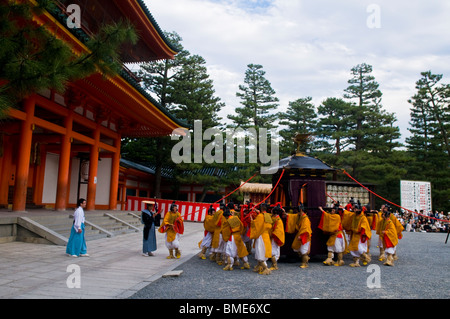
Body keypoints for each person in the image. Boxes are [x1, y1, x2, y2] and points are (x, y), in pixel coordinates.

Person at [343, 202, 372, 267]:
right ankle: (356, 262)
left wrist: (363, 233)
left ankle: (365, 258)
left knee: (359, 248)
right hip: (354, 234)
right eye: (354, 209)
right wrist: (343, 210)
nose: (354, 210)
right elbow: (348, 214)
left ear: (359, 209)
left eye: (356, 209)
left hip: (360, 235)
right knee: (353, 248)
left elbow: (364, 226)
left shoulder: (363, 217)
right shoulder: (354, 215)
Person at [249, 204, 273, 275]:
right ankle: (259, 267)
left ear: (261, 209)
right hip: (266, 235)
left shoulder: (260, 216)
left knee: (260, 251)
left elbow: (257, 226)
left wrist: (252, 221)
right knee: (262, 251)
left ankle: (265, 268)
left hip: (261, 236)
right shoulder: (268, 215)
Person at [269, 205, 285, 270]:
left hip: (274, 237)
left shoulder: (278, 220)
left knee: (273, 251)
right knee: (272, 250)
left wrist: (273, 234)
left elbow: (279, 230)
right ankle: (274, 264)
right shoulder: (273, 218)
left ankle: (274, 265)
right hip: (272, 237)